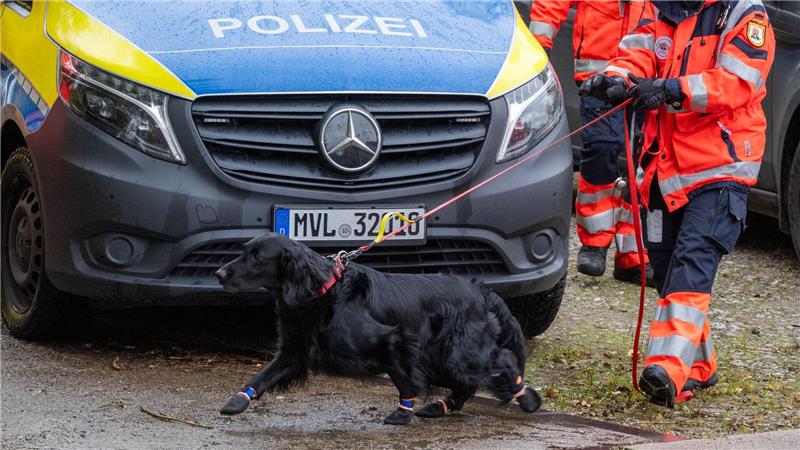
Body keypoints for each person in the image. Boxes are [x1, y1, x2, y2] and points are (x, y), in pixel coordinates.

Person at [580, 0, 774, 407]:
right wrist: (615, 79)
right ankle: (700, 366)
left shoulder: (744, 15)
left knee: (691, 262)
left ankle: (667, 367)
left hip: (720, 168)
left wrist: (669, 91)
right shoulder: (662, 8)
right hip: (664, 166)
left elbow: (735, 83)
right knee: (667, 269)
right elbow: (637, 51)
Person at [529, 0, 653, 284]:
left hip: (648, 76)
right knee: (601, 149)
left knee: (644, 162)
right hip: (598, 74)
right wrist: (539, 45)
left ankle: (633, 256)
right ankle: (595, 244)